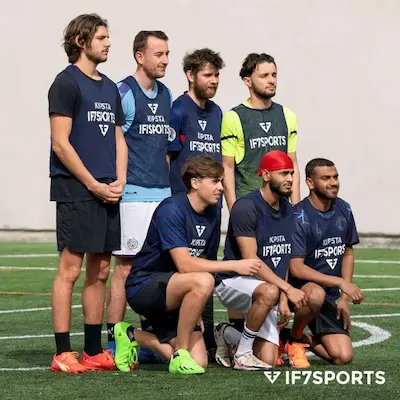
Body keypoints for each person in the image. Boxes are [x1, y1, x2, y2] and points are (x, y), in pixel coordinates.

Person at [113, 156, 262, 375]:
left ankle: (131, 335)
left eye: (221, 181)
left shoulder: (212, 213)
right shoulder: (171, 209)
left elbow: (206, 263)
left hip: (179, 290)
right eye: (215, 181)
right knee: (203, 280)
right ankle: (180, 351)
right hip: (143, 288)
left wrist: (195, 306)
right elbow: (185, 264)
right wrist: (236, 265)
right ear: (195, 183)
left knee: (199, 362)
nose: (221, 187)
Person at [48, 14, 127, 373]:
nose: (108, 42)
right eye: (101, 37)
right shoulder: (65, 84)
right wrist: (93, 184)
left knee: (100, 272)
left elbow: (116, 137)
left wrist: (119, 180)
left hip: (108, 190)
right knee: (71, 269)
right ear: (82, 41)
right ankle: (62, 353)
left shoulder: (110, 87)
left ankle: (93, 350)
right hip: (77, 190)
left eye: (108, 36)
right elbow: (60, 144)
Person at [220, 53, 301, 334]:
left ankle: (278, 334)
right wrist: (233, 206)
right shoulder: (233, 117)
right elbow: (227, 167)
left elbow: (293, 162)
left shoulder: (286, 115)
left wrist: (297, 205)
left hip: (280, 206)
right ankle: (233, 331)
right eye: (264, 75)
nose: (271, 80)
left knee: (280, 260)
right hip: (248, 205)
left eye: (274, 75)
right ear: (247, 80)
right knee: (245, 267)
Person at [105, 31, 173, 359]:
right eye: (158, 54)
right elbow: (111, 143)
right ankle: (113, 338)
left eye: (167, 54)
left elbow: (164, 151)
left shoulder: (167, 94)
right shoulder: (124, 92)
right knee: (126, 268)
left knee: (158, 268)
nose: (165, 60)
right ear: (139, 56)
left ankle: (146, 335)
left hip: (162, 195)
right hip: (133, 196)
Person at [214, 151, 309, 370]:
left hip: (268, 287)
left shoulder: (287, 209)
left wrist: (284, 297)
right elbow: (251, 261)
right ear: (266, 175)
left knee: (268, 358)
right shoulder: (245, 207)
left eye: (292, 173)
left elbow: (282, 256)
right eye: (284, 173)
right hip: (233, 280)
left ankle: (226, 333)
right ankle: (243, 355)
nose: (290, 179)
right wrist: (286, 289)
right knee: (268, 292)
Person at [168, 48, 225, 356]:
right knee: (180, 268)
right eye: (207, 74)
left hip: (211, 208)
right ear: (190, 76)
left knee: (209, 266)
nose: (213, 80)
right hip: (182, 206)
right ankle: (167, 333)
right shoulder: (178, 110)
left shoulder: (217, 113)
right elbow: (167, 158)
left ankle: (208, 333)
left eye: (216, 75)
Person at [289, 158, 364, 365]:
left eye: (335, 177)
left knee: (342, 357)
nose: (333, 182)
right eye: (326, 178)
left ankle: (301, 339)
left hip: (328, 297)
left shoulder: (344, 209)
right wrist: (339, 282)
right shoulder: (299, 216)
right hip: (302, 293)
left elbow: (347, 251)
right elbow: (296, 267)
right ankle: (295, 339)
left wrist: (344, 299)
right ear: (310, 183)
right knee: (315, 294)